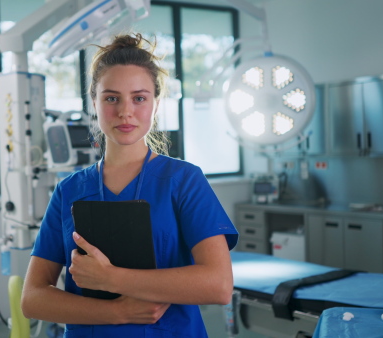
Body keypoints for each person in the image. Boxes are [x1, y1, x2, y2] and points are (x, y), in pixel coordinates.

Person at [21, 32, 239, 337]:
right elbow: (32, 299)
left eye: (139, 98)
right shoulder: (70, 190)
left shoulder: (183, 181)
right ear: (94, 103)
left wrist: (112, 279)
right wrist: (116, 312)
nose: (125, 111)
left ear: (156, 104)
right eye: (112, 98)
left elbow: (218, 286)